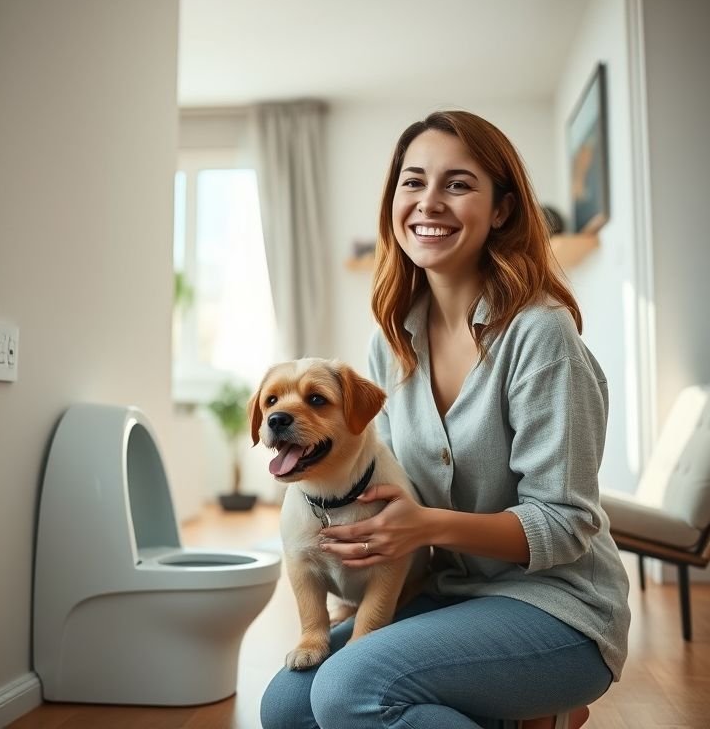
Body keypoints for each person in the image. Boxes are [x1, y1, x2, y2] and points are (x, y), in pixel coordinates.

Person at [260, 110, 630, 729]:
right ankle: (524, 717)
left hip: (560, 608)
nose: (429, 202)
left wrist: (423, 525)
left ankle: (538, 700)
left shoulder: (540, 336)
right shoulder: (392, 342)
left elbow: (565, 524)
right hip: (452, 593)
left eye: (458, 184)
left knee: (348, 689)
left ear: (502, 210)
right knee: (289, 708)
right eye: (413, 181)